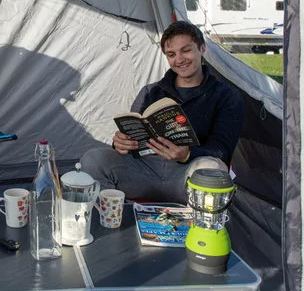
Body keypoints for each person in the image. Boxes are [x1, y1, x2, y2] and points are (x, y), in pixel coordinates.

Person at [81, 21, 243, 204]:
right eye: (171, 54)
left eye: (186, 50)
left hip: (187, 175)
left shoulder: (226, 96)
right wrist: (120, 143)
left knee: (213, 167)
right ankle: (112, 215)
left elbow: (222, 148)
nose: (179, 60)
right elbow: (132, 135)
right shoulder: (150, 92)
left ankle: (200, 221)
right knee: (93, 159)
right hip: (144, 171)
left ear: (202, 48)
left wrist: (188, 154)